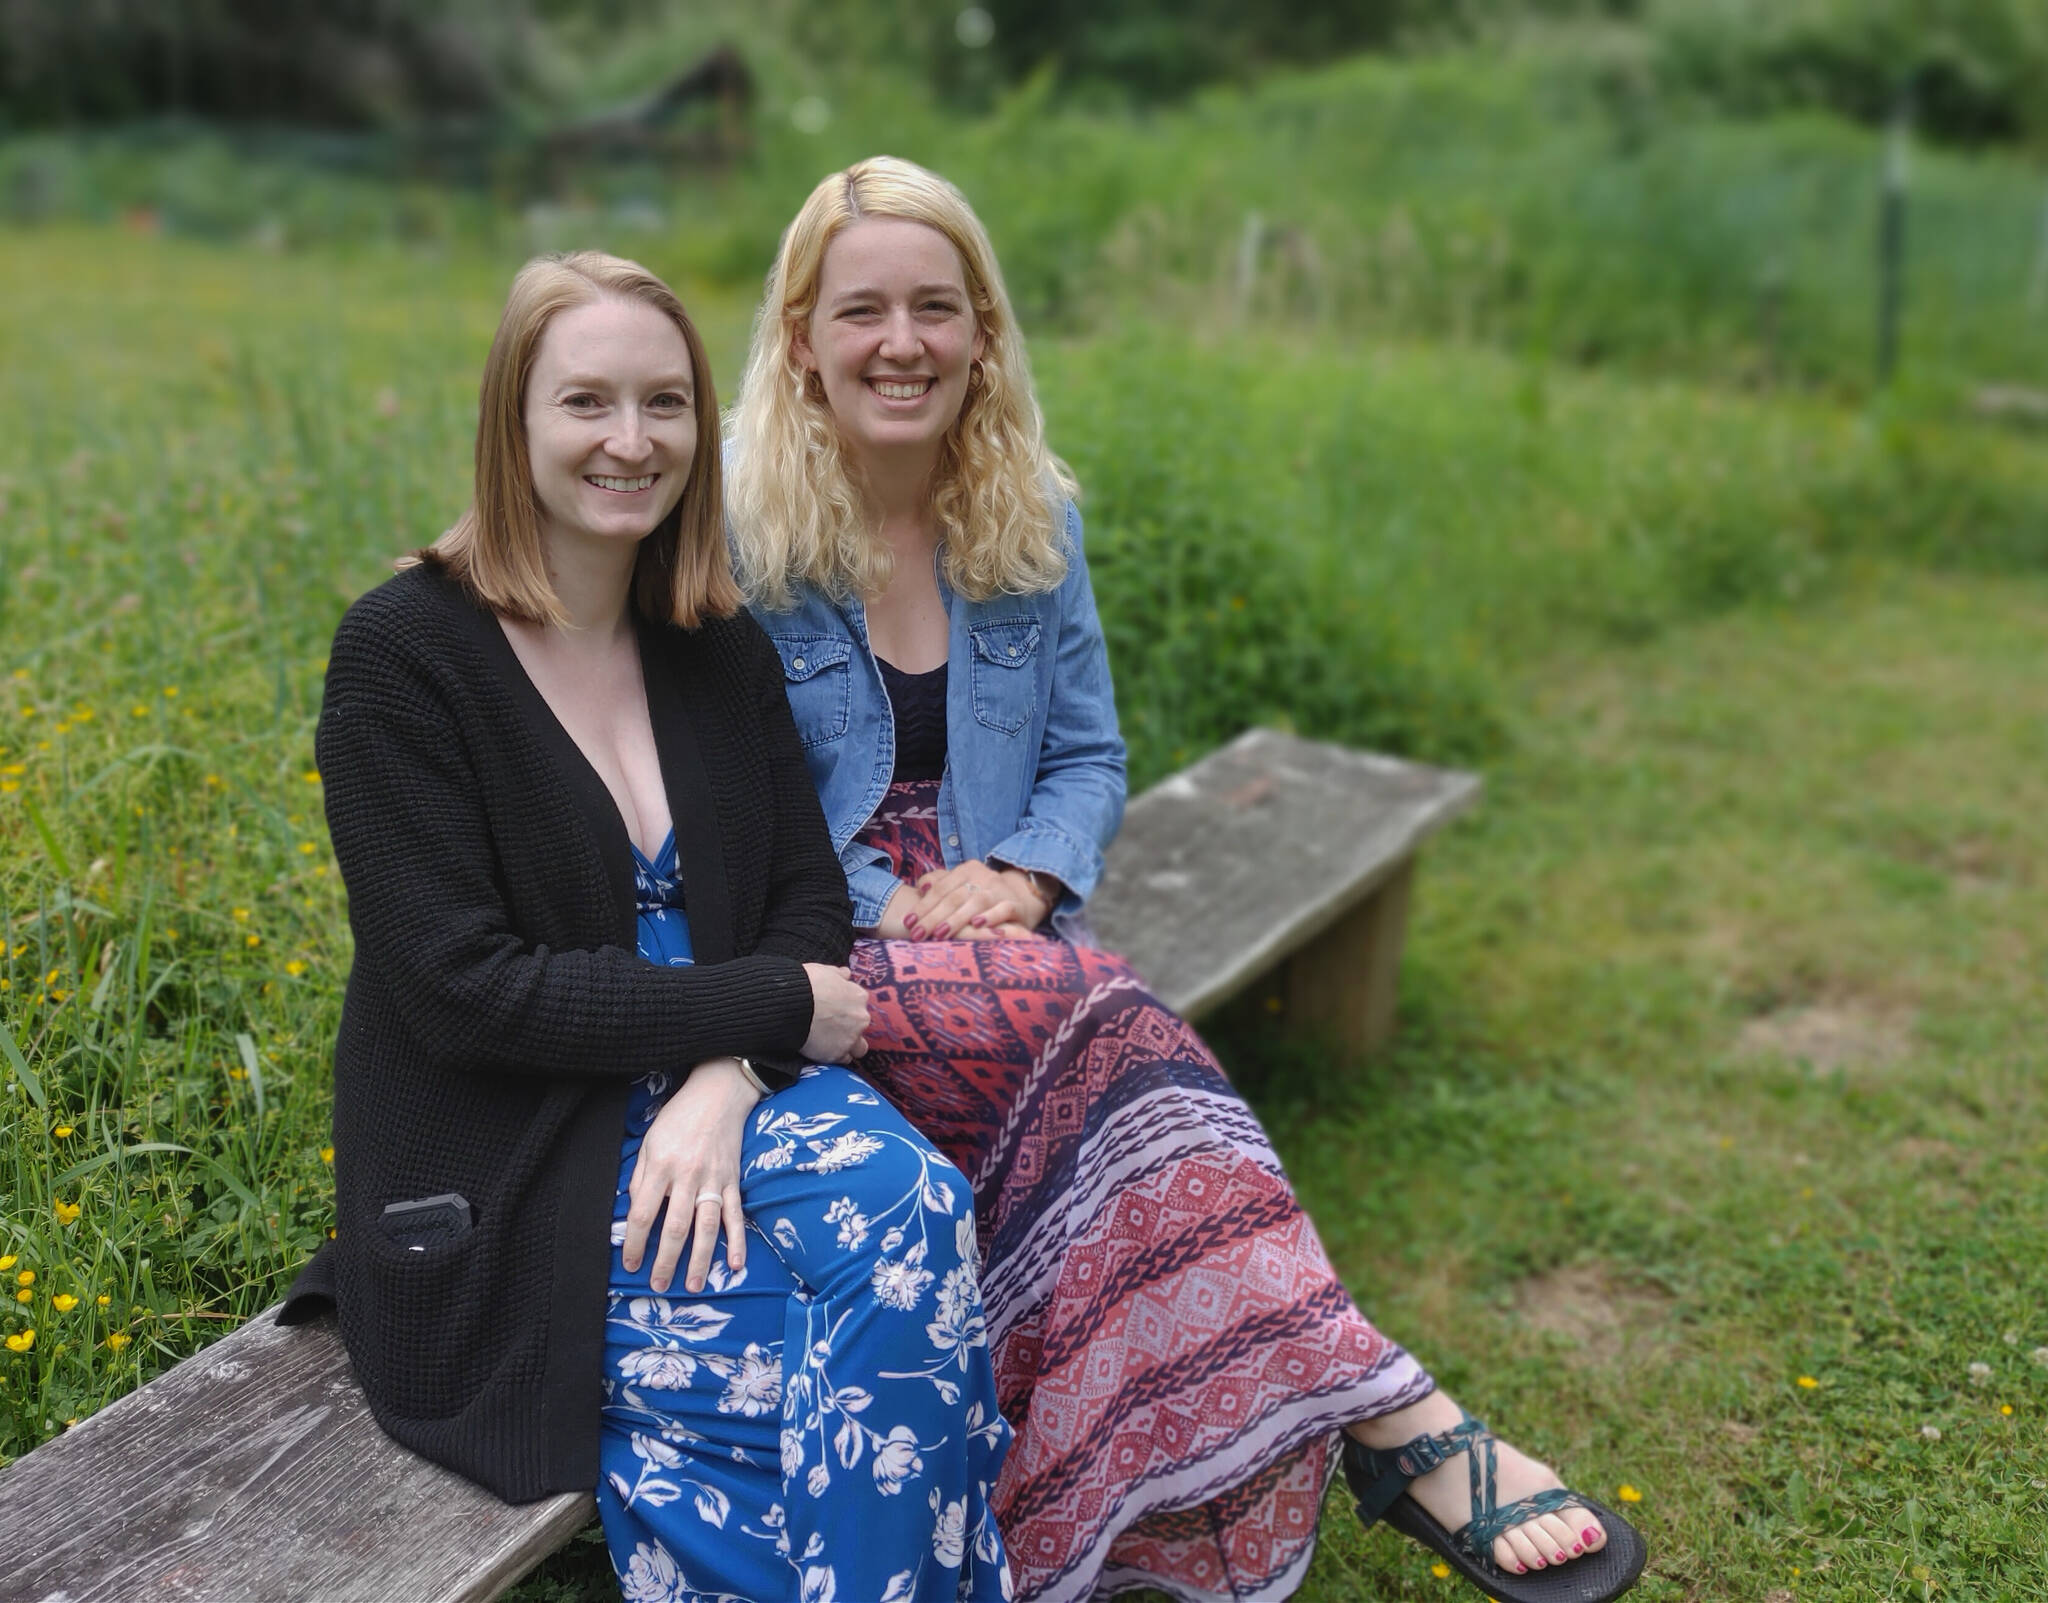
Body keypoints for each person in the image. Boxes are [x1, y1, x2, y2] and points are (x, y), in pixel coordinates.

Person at [726, 159, 1647, 1603]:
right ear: (800, 338)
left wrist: (1027, 874)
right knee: (1116, 1040)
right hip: (827, 937)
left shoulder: (1030, 516)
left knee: (1099, 1037)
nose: (900, 341)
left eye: (934, 307)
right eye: (862, 311)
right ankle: (1389, 1415)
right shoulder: (733, 540)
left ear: (982, 331)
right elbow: (722, 804)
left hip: (1012, 934)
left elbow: (1089, 757)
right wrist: (888, 897)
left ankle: (1298, 1440)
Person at [281, 250, 1012, 1603]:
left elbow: (801, 888)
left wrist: (727, 1077)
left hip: (725, 1099)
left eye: (666, 403)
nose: (633, 442)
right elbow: (465, 990)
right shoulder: (403, 656)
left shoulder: (707, 638)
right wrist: (770, 1012)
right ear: (516, 419)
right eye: (587, 404)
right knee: (894, 1347)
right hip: (524, 1154)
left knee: (914, 1222)